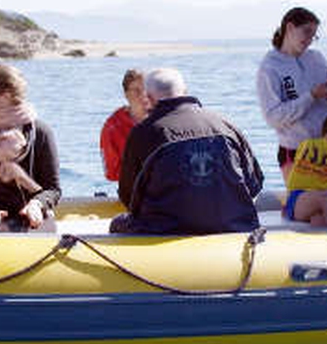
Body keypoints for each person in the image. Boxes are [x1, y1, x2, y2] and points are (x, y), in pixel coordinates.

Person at [113, 67, 264, 235]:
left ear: (149, 98)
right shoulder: (226, 126)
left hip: (164, 230)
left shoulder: (142, 133)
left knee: (117, 223)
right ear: (184, 91)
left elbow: (129, 196)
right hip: (234, 225)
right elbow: (254, 185)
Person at [0, 63, 61, 231]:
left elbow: (53, 189)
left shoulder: (40, 133)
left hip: (33, 221)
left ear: (6, 96)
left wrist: (37, 204)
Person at [256, 6, 327, 181]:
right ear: (289, 28)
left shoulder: (318, 59)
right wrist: (311, 96)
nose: (310, 39)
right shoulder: (269, 67)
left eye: (314, 35)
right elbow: (273, 117)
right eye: (307, 32)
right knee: (302, 198)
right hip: (295, 151)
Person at [99, 68, 147, 182]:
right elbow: (111, 173)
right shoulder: (113, 127)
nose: (143, 95)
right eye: (136, 90)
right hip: (133, 187)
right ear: (126, 94)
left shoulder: (164, 118)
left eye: (146, 89)